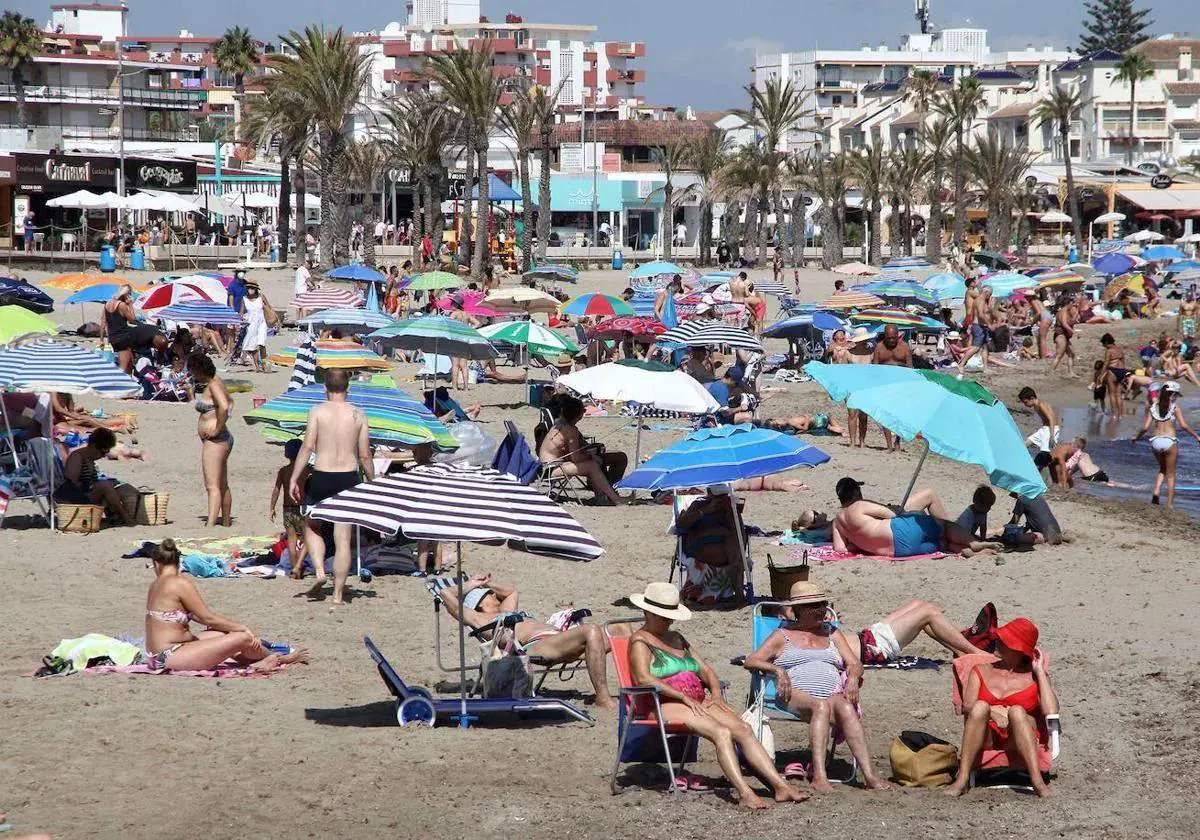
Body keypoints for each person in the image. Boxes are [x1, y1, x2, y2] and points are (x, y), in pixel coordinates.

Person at [627, 582, 809, 809]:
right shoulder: (640, 642)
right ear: (648, 612)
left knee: (743, 729)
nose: (669, 621)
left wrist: (716, 695)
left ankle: (780, 787)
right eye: (664, 617)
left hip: (696, 699)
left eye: (670, 616)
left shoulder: (677, 638)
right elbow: (644, 678)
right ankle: (744, 792)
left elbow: (705, 669)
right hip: (663, 701)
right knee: (721, 732)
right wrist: (682, 697)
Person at [742, 582, 893, 793]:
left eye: (822, 604)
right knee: (820, 706)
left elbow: (855, 663)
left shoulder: (831, 632)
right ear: (798, 611)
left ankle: (869, 775)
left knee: (846, 708)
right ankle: (819, 777)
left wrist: (852, 679)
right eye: (814, 606)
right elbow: (752, 660)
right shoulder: (781, 636)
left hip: (831, 695)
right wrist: (778, 671)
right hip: (793, 695)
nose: (821, 610)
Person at [440, 572, 616, 710]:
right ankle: (602, 698)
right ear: (479, 604)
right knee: (591, 630)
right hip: (538, 645)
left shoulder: (506, 611)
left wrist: (486, 583)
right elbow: (445, 594)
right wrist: (472, 584)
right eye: (489, 595)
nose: (495, 595)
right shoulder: (480, 619)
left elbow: (511, 591)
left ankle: (637, 689)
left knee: (620, 629)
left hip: (559, 637)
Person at [144, 539, 308, 672]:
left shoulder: (156, 584)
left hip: (163, 652)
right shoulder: (178, 583)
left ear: (156, 564)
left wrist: (231, 629)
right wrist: (242, 628)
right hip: (169, 656)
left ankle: (264, 655)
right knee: (242, 638)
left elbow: (199, 618)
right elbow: (207, 617)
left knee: (223, 634)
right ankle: (276, 658)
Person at [945, 618, 1059, 798]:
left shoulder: (1034, 677)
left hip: (1019, 735)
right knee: (980, 707)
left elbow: (1051, 711)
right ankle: (962, 779)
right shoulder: (981, 670)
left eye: (1003, 640)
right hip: (987, 734)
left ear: (1018, 649)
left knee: (1017, 711)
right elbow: (967, 705)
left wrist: (1040, 673)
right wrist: (994, 712)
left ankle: (1037, 782)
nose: (996, 641)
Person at [290, 369, 375, 604]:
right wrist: (373, 482)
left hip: (322, 475)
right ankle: (338, 594)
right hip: (348, 477)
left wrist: (294, 477)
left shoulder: (317, 412)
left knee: (312, 525)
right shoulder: (358, 414)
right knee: (343, 538)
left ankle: (318, 571)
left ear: (325, 388)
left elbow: (307, 448)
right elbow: (365, 455)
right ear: (348, 389)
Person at [832, 477, 1001, 558]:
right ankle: (974, 542)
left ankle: (976, 553)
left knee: (945, 545)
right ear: (857, 492)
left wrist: (857, 544)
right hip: (901, 532)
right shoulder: (860, 505)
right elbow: (892, 514)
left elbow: (840, 549)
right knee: (944, 525)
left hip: (899, 551)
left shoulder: (837, 521)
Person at [537, 395, 627, 505]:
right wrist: (592, 457)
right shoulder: (570, 430)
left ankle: (608, 492)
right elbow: (576, 457)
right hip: (551, 469)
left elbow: (575, 450)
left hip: (553, 464)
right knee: (592, 465)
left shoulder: (559, 424)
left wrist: (591, 452)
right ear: (579, 416)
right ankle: (614, 498)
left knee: (617, 457)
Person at [1134, 381, 1199, 506]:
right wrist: (1196, 436)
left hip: (1155, 442)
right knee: (1171, 475)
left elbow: (1145, 428)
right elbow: (1184, 426)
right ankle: (1169, 504)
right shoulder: (1174, 407)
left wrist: (1136, 437)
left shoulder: (1153, 407)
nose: (1176, 397)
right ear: (1172, 394)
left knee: (1162, 469)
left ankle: (1156, 491)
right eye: (1176, 395)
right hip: (1169, 442)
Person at [188, 353, 234, 528]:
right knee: (222, 483)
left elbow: (223, 406)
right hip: (222, 439)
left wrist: (216, 428)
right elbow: (230, 403)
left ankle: (211, 524)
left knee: (212, 486)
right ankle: (227, 522)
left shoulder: (214, 384)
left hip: (216, 440)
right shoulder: (217, 381)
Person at [54, 429, 136, 525]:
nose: (103, 456)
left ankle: (113, 514)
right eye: (102, 452)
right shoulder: (77, 457)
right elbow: (70, 483)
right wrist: (92, 486)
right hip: (73, 500)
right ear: (93, 446)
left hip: (84, 496)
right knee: (105, 486)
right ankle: (125, 518)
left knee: (117, 486)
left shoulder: (89, 458)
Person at [103, 285, 165, 373]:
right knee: (124, 366)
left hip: (112, 337)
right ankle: (120, 384)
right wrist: (130, 305)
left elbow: (103, 322)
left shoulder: (107, 304)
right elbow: (132, 319)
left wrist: (102, 339)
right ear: (126, 294)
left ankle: (131, 382)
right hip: (123, 337)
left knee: (129, 363)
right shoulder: (122, 305)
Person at [271, 439, 310, 580]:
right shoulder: (308, 470)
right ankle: (299, 566)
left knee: (292, 541)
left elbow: (276, 490)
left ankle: (295, 570)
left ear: (286, 454)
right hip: (303, 508)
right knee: (307, 540)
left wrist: (272, 507)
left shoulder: (283, 471)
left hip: (287, 509)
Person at [871, 325, 913, 451]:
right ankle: (889, 444)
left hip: (900, 384)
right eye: (888, 338)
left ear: (897, 335)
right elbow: (874, 368)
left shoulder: (904, 347)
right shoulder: (879, 347)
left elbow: (910, 367)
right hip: (885, 385)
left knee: (899, 415)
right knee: (886, 415)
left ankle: (898, 442)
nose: (890, 340)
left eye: (893, 338)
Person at [844, 327, 873, 447]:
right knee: (852, 414)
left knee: (863, 416)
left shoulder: (871, 353)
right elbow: (843, 371)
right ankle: (852, 441)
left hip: (866, 387)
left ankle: (862, 441)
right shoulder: (848, 353)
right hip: (852, 386)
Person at [958, 286, 995, 375]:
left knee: (985, 347)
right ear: (986, 292)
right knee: (976, 347)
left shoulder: (980, 300)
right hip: (978, 326)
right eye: (989, 295)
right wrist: (989, 325)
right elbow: (981, 315)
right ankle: (961, 364)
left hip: (982, 326)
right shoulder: (980, 300)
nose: (989, 297)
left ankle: (985, 368)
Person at [1017, 387, 1059, 455]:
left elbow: (1051, 418)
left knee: (1046, 452)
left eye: (1026, 402)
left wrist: (1052, 435)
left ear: (1032, 398)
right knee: (1026, 443)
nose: (1025, 405)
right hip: (1045, 429)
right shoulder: (1036, 406)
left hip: (1052, 429)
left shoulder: (1041, 404)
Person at [240, 281, 269, 372]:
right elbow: (241, 312)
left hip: (262, 323)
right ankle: (257, 366)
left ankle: (264, 363)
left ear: (256, 289)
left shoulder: (261, 297)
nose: (250, 290)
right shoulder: (244, 299)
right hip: (251, 324)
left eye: (252, 288)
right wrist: (240, 320)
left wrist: (276, 320)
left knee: (261, 343)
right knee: (253, 346)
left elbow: (269, 308)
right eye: (248, 288)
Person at [1099, 333, 1131, 417]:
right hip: (1122, 371)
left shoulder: (1109, 351)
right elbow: (1123, 363)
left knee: (1112, 395)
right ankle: (1120, 415)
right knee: (1119, 395)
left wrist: (1100, 376)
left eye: (1103, 344)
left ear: (1106, 342)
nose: (1103, 346)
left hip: (1112, 372)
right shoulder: (1119, 349)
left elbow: (1106, 364)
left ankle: (1114, 414)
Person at [1050, 297, 1076, 377]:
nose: (1072, 305)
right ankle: (1051, 372)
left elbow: (1071, 321)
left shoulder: (1066, 311)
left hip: (1064, 335)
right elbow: (1064, 324)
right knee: (1059, 355)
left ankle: (1070, 372)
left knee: (1071, 354)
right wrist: (1073, 332)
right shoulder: (1063, 311)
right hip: (1061, 335)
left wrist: (1076, 312)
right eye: (1072, 303)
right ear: (1068, 303)